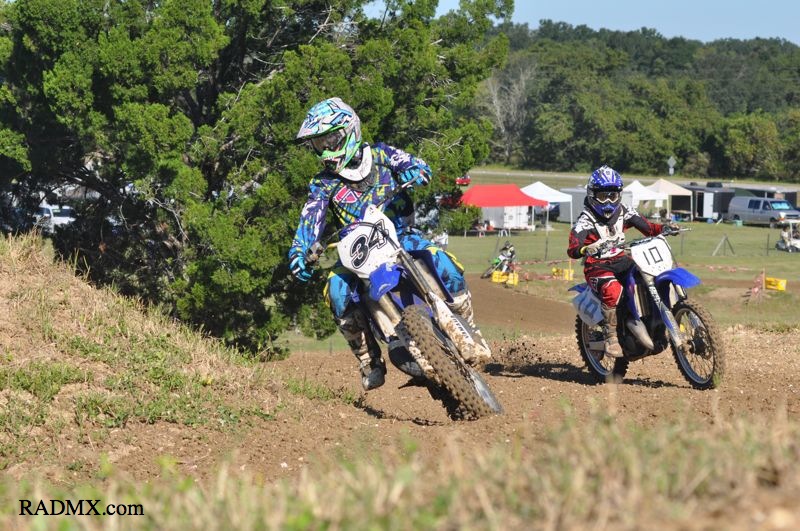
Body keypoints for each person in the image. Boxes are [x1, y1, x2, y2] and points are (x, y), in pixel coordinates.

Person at [288, 97, 488, 391]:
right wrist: (299, 252)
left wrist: (415, 170)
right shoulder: (323, 184)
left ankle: (468, 324)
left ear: (348, 131)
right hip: (358, 250)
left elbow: (416, 164)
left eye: (329, 140)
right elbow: (310, 220)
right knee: (336, 290)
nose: (326, 150)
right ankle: (368, 359)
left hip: (401, 234)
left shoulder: (382, 154)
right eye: (319, 144)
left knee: (444, 262)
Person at [567, 165, 678, 358]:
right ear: (592, 195)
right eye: (603, 196)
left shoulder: (624, 211)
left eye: (613, 195)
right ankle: (611, 338)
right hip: (597, 266)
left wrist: (665, 228)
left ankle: (655, 322)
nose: (609, 201)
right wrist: (585, 249)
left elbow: (648, 228)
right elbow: (572, 248)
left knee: (648, 275)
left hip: (621, 259)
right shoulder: (585, 220)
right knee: (613, 290)